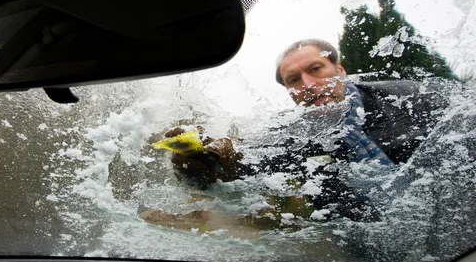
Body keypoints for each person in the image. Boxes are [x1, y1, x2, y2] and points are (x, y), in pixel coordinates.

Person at [151, 39, 448, 224]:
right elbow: (239, 167)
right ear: (290, 92)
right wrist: (199, 159)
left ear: (340, 70)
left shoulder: (407, 97)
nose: (306, 85)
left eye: (316, 70)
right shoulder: (289, 133)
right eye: (294, 80)